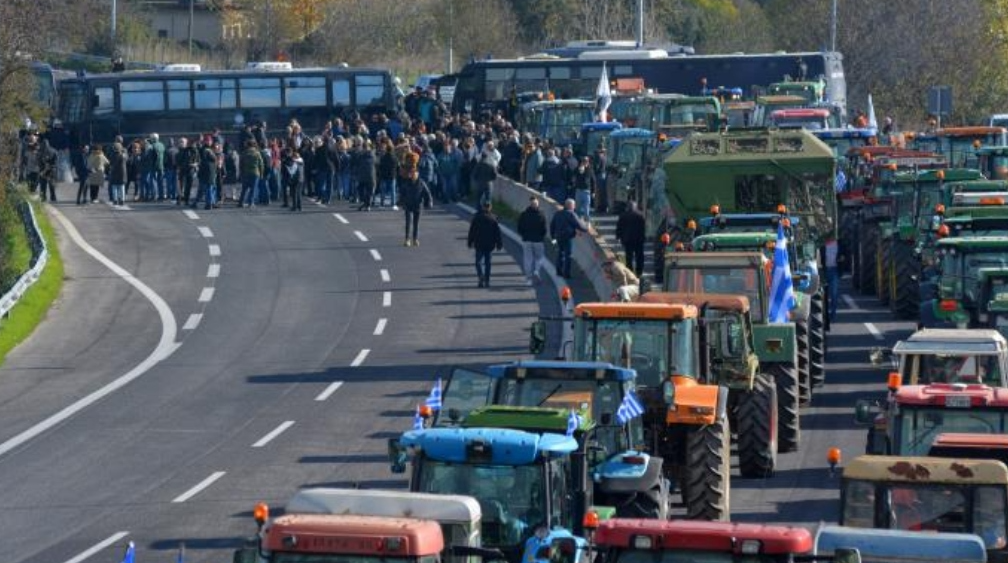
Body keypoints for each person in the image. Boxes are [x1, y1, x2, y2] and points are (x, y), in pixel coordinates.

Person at [468, 201, 503, 288]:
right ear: (490, 207)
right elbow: (497, 233)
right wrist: (499, 244)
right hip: (490, 245)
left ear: (483, 207)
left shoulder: (476, 217)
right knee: (488, 263)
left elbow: (472, 231)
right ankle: (487, 280)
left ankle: (481, 276)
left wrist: (470, 242)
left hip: (479, 244)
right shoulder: (494, 218)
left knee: (478, 262)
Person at [550, 198, 588, 279]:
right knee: (568, 255)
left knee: (560, 253)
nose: (574, 207)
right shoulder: (571, 214)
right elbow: (579, 225)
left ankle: (559, 271)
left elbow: (552, 225)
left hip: (558, 237)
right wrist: (586, 228)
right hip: (567, 237)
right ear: (570, 206)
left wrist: (553, 237)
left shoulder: (558, 213)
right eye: (574, 205)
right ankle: (566, 274)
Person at [399, 165, 433, 247]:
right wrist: (401, 202)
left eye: (415, 173)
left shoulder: (421, 183)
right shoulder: (406, 182)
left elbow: (427, 193)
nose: (413, 174)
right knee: (408, 223)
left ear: (418, 174)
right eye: (412, 173)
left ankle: (415, 239)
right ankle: (407, 239)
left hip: (418, 205)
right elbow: (402, 194)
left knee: (416, 223)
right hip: (408, 205)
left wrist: (429, 202)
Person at [517, 196, 548, 285]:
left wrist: (523, 235)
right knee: (540, 257)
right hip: (538, 240)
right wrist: (542, 236)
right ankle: (536, 270)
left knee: (527, 259)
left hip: (527, 239)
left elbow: (519, 227)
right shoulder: (541, 215)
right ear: (537, 205)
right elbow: (544, 229)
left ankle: (528, 279)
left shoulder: (524, 214)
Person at [616, 201, 647, 277]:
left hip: (627, 240)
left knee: (629, 257)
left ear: (628, 207)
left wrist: (618, 237)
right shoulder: (640, 215)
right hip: (638, 240)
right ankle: (639, 272)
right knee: (639, 256)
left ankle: (630, 272)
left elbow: (619, 228)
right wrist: (644, 238)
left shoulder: (623, 215)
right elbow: (643, 228)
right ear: (635, 207)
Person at [238, 140, 264, 208]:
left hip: (246, 172)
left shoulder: (244, 153)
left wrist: (241, 173)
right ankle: (251, 203)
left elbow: (241, 164)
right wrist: (261, 173)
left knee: (244, 189)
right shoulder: (257, 153)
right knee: (253, 189)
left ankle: (241, 202)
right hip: (255, 172)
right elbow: (261, 164)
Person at [824, 235, 840, 322]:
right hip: (824, 270)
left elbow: (843, 255)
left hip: (834, 270)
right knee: (824, 294)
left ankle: (833, 314)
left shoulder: (838, 245)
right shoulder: (823, 246)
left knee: (833, 294)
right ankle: (825, 314)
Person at [108, 142, 128, 206]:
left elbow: (110, 163)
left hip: (114, 172)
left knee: (114, 187)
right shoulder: (123, 155)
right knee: (122, 187)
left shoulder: (112, 155)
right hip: (122, 173)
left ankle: (115, 200)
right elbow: (127, 159)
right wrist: (124, 152)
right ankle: (122, 200)